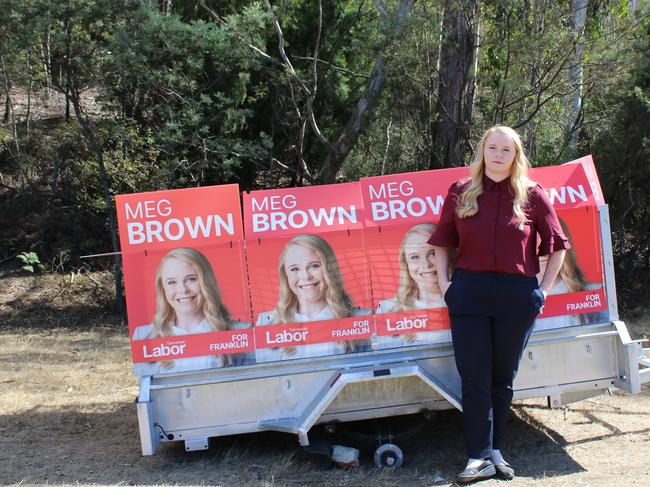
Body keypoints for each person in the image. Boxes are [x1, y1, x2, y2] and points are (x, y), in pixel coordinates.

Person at [429, 125, 569, 483]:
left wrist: (543, 291)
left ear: (516, 156)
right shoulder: (461, 192)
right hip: (469, 293)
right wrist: (446, 285)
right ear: (482, 152)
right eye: (492, 147)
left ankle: (495, 451)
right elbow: (443, 241)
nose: (498, 154)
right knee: (474, 377)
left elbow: (556, 247)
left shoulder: (533, 195)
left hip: (516, 295)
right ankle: (477, 457)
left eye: (506, 150)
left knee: (502, 379)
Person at [132, 247, 252, 376]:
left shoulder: (242, 333)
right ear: (163, 289)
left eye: (191, 279)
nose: (183, 290)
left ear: (206, 282)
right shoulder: (144, 337)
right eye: (171, 282)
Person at [255, 234, 371, 362]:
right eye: (294, 269)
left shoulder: (361, 319)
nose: (305, 276)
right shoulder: (266, 324)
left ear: (329, 269)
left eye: (314, 266)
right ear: (285, 275)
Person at [375, 223, 450, 348]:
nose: (425, 265)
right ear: (406, 264)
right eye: (415, 257)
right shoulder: (387, 310)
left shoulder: (469, 301)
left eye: (432, 253)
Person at [534, 218, 606, 331]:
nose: (542, 252)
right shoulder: (514, 294)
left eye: (549, 242)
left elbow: (603, 332)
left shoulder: (591, 290)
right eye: (533, 242)